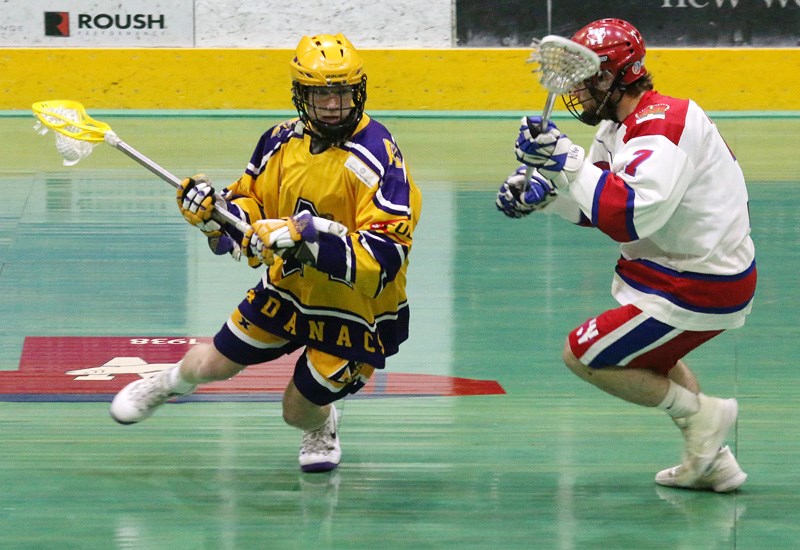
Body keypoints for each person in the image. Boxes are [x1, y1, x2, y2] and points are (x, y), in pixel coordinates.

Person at [110, 33, 422, 473]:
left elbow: (385, 255)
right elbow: (250, 206)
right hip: (290, 289)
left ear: (358, 90)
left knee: (296, 410)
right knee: (210, 364)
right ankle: (164, 384)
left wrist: (304, 239)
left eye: (342, 91)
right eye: (321, 92)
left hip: (358, 310)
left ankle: (322, 423)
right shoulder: (277, 142)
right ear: (301, 94)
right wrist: (215, 212)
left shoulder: (379, 157)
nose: (333, 104)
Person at [496, 18, 755, 492]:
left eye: (583, 80)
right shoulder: (621, 127)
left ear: (610, 77)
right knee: (649, 360)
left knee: (584, 354)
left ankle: (705, 416)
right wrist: (546, 195)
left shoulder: (662, 126)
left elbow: (629, 214)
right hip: (679, 274)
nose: (575, 91)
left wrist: (564, 160)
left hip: (699, 283)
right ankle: (711, 461)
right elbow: (597, 202)